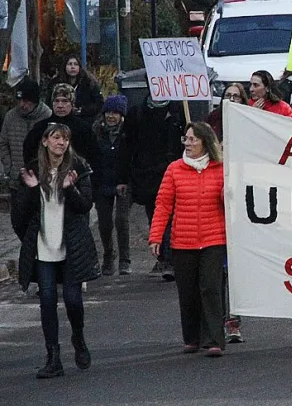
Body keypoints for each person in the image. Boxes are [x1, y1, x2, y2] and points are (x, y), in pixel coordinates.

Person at [12, 122, 98, 378]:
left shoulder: (78, 167)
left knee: (73, 299)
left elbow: (85, 206)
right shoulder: (31, 170)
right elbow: (19, 214)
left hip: (71, 245)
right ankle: (53, 357)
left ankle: (79, 339)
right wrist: (29, 191)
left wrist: (70, 189)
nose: (61, 143)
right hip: (42, 245)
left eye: (65, 139)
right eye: (56, 138)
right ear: (45, 142)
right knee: (47, 300)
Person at [149, 122, 227, 357]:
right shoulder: (175, 169)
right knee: (188, 291)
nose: (188, 143)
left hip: (214, 238)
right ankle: (192, 337)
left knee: (211, 288)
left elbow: (230, 201)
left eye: (193, 139)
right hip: (183, 240)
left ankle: (214, 338)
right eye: (186, 139)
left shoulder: (221, 169)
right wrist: (156, 236)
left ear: (205, 141)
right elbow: (163, 204)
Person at [117, 93, 184, 279]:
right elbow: (126, 146)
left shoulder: (177, 111)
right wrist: (123, 177)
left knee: (170, 216)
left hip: (169, 171)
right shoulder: (137, 112)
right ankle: (162, 256)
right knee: (154, 216)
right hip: (144, 174)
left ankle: (170, 261)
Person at [91, 95, 129, 276]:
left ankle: (125, 259)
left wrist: (126, 180)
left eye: (115, 112)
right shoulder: (97, 132)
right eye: (108, 112)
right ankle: (108, 255)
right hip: (102, 182)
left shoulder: (128, 132)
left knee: (121, 220)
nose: (111, 116)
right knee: (104, 223)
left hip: (123, 182)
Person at [24, 84, 98, 169]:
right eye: (56, 101)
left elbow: (94, 157)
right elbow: (29, 154)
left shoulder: (84, 129)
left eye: (65, 101)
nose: (60, 105)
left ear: (72, 104)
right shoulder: (40, 128)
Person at [0, 78, 51, 197]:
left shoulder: (47, 116)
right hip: (17, 178)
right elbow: (3, 143)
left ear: (35, 101)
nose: (22, 104)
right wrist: (9, 167)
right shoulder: (11, 116)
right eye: (20, 100)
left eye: (27, 101)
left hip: (41, 179)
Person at [51, 54, 104, 126]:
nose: (72, 67)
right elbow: (49, 101)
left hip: (85, 121)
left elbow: (99, 104)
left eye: (75, 64)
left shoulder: (90, 83)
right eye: (70, 64)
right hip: (61, 122)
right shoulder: (55, 83)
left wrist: (82, 110)